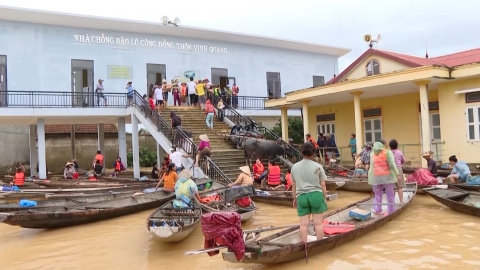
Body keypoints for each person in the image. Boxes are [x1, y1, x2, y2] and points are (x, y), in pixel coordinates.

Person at [291, 142, 328, 244]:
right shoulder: (318, 166)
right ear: (313, 153)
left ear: (302, 152)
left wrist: (294, 198)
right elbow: (323, 184)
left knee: (303, 224)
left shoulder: (295, 167)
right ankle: (320, 245)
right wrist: (324, 198)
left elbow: (293, 185)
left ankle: (304, 245)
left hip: (301, 196)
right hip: (316, 195)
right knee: (318, 224)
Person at [368, 140, 399, 216]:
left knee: (377, 195)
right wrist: (397, 174)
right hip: (387, 177)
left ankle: (378, 210)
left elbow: (372, 166)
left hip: (375, 177)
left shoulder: (372, 153)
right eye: (386, 144)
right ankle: (391, 211)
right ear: (383, 144)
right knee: (390, 195)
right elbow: (391, 165)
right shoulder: (387, 152)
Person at [389, 139, 406, 203]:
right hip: (398, 169)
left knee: (393, 188)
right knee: (400, 187)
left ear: (390, 146)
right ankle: (401, 201)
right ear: (397, 146)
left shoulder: (388, 152)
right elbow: (404, 161)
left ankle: (392, 203)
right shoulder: (399, 152)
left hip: (391, 170)